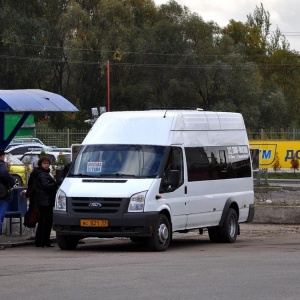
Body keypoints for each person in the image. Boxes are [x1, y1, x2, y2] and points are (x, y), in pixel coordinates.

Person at [34, 156, 58, 247]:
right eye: (44, 163)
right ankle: (44, 241)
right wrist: (55, 184)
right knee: (46, 222)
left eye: (47, 163)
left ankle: (41, 241)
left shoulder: (43, 173)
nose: (46, 165)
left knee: (44, 222)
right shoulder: (43, 174)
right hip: (45, 201)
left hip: (44, 201)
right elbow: (46, 186)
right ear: (41, 164)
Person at [0, 149, 16, 233]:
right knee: (1, 214)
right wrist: (12, 181)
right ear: (2, 156)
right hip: (3, 193)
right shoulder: (1, 164)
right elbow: (4, 173)